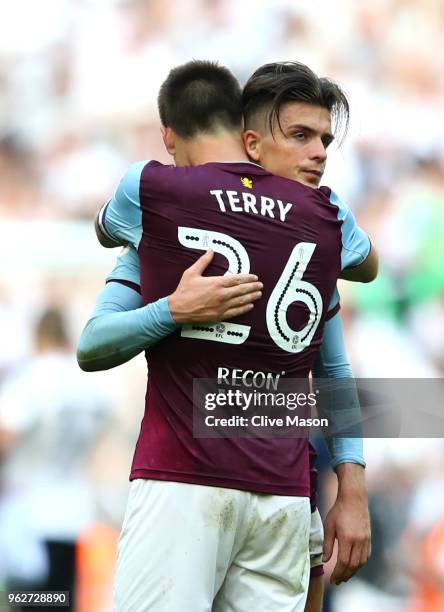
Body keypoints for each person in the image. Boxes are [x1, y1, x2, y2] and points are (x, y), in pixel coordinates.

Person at [79, 60, 372, 611]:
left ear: (170, 138)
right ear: (249, 139)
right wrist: (351, 490)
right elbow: (365, 278)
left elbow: (91, 345)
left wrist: (170, 310)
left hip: (190, 484)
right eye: (303, 137)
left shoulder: (157, 205)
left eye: (323, 140)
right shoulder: (327, 221)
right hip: (283, 496)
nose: (319, 155)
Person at [0, 308, 112, 611]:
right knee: (61, 601)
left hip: (29, 513)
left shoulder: (32, 378)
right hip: (73, 509)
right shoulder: (89, 383)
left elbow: (6, 432)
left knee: (29, 602)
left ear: (38, 336)